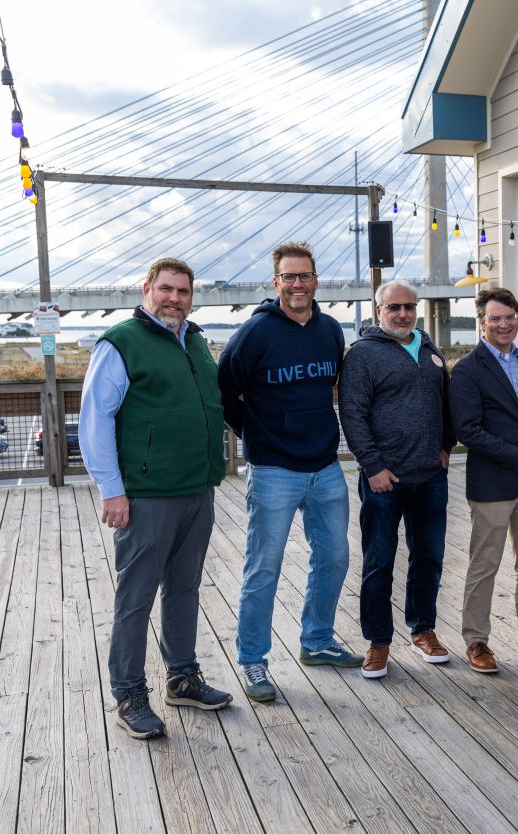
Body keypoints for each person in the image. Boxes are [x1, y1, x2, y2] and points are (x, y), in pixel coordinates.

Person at [80, 256, 231, 739]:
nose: (174, 298)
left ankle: (182, 677)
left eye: (183, 291)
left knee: (185, 587)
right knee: (136, 597)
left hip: (196, 490)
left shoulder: (195, 341)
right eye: (166, 289)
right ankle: (128, 693)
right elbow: (95, 420)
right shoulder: (121, 342)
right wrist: (112, 490)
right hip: (146, 495)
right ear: (146, 289)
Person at [217, 242, 358, 705]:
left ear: (316, 280)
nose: (298, 284)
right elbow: (226, 393)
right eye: (289, 277)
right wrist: (259, 435)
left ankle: (317, 640)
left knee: (334, 556)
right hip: (274, 469)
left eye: (305, 276)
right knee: (264, 567)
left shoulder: (330, 330)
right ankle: (252, 659)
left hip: (325, 466)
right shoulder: (254, 334)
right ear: (276, 282)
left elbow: (329, 388)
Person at [339, 279, 455, 680]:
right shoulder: (362, 354)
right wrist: (372, 466)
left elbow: (446, 403)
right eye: (394, 308)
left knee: (429, 558)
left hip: (430, 477)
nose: (403, 314)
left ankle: (422, 629)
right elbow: (352, 413)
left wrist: (447, 444)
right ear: (379, 311)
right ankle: (378, 641)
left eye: (409, 307)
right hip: (384, 481)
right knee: (378, 563)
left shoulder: (428, 348)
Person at [449, 287, 518, 674]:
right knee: (485, 563)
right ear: (482, 322)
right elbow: (467, 430)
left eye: (509, 317)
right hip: (494, 480)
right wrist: (516, 453)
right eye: (495, 318)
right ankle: (476, 639)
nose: (504, 324)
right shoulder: (468, 369)